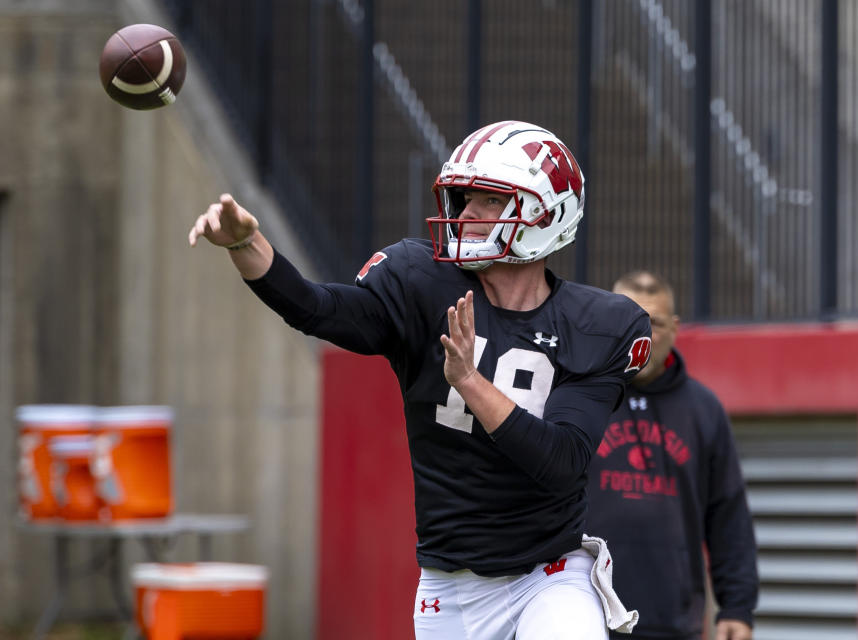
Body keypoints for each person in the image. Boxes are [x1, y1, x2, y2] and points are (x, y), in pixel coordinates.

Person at [188, 121, 652, 639]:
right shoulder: (421, 280)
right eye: (464, 199)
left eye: (489, 202)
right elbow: (321, 310)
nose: (466, 214)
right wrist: (247, 245)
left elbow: (562, 463)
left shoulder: (596, 325)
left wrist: (471, 382)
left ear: (548, 216)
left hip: (546, 577)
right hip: (448, 584)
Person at [586, 271, 758, 640]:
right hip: (582, 611)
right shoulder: (579, 396)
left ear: (675, 328)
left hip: (673, 620)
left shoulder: (703, 409)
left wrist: (737, 607)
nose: (643, 336)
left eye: (656, 324)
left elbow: (729, 516)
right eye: (629, 322)